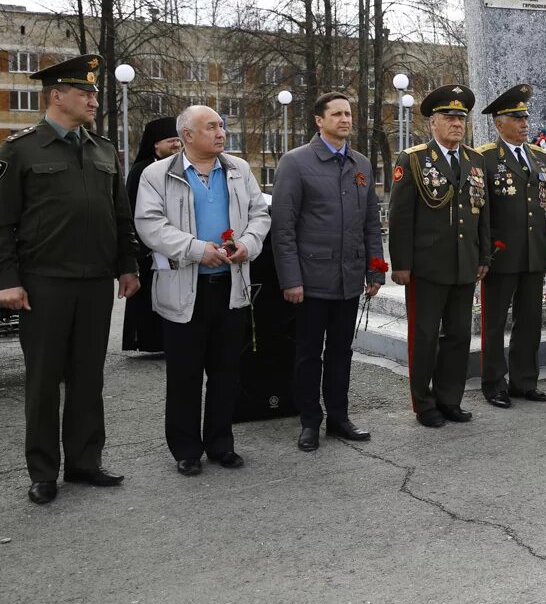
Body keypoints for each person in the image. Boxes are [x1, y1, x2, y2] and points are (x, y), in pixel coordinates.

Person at [0, 54, 140, 505]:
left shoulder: (103, 148)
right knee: (44, 378)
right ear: (56, 96)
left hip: (94, 282)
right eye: (85, 92)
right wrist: (7, 280)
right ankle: (43, 471)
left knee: (89, 376)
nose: (94, 99)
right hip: (43, 282)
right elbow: (0, 224)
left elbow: (119, 216)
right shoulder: (21, 149)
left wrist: (126, 265)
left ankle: (85, 462)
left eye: (94, 92)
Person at [134, 105, 270, 475]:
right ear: (187, 136)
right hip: (184, 287)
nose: (221, 132)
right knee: (184, 374)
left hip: (231, 285)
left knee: (227, 372)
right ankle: (186, 449)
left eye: (222, 126)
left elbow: (260, 213)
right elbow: (150, 225)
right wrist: (197, 250)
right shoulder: (157, 174)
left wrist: (248, 244)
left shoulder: (238, 170)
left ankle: (221, 443)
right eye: (211, 127)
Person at [272, 92, 384, 451]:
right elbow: (283, 228)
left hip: (349, 279)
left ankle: (338, 417)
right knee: (308, 353)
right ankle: (309, 421)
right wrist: (291, 279)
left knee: (342, 352)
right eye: (336, 114)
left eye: (348, 113)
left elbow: (371, 224)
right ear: (319, 120)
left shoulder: (361, 164)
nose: (345, 119)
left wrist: (376, 270)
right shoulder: (296, 162)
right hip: (310, 280)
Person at [388, 85, 489, 428]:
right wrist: (400, 264)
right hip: (427, 267)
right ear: (433, 123)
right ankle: (424, 403)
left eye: (461, 118)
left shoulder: (475, 160)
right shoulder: (414, 159)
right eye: (449, 117)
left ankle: (450, 399)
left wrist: (483, 255)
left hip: (464, 263)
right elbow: (400, 216)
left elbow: (481, 213)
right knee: (425, 336)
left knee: (459, 336)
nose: (457, 124)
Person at [476, 84, 546, 408]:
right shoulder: (484, 157)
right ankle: (494, 384)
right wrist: (484, 253)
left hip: (533, 253)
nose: (524, 123)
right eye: (516, 118)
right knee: (495, 324)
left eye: (525, 117)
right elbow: (480, 212)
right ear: (499, 123)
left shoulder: (540, 157)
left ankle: (524, 381)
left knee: (530, 321)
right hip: (501, 254)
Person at [122, 117, 181, 352]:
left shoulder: (177, 166)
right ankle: (148, 339)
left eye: (178, 140)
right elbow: (135, 210)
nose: (176, 145)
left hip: (170, 242)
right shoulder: (141, 171)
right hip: (148, 247)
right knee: (148, 296)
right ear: (156, 145)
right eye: (171, 141)